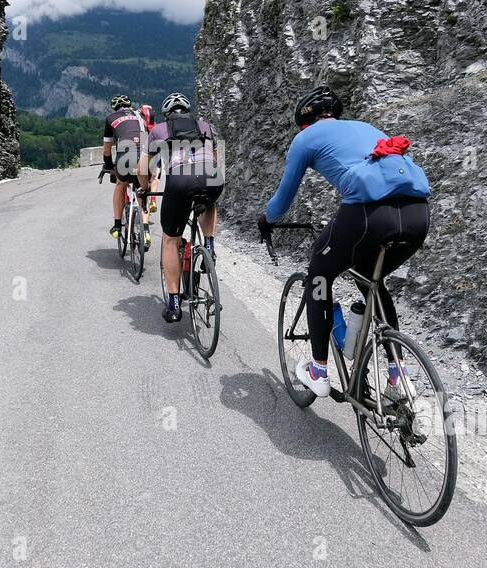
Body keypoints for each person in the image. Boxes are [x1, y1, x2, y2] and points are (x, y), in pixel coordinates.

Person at [258, 86, 429, 397]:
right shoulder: (366, 127)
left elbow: (283, 198)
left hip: (368, 216)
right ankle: (398, 377)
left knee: (319, 277)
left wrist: (266, 221)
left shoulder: (305, 139)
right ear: (335, 114)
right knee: (371, 282)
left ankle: (318, 370)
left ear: (304, 122)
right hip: (418, 216)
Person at [144, 93, 224, 323]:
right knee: (209, 202)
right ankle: (209, 245)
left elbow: (145, 168)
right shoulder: (205, 126)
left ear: (167, 114)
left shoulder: (158, 130)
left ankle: (174, 303)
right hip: (212, 178)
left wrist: (144, 188)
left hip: (180, 181)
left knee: (170, 239)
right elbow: (216, 160)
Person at [102, 94, 151, 248]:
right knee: (143, 190)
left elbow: (107, 148)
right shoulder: (140, 117)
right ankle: (146, 228)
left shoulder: (111, 118)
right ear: (130, 106)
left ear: (115, 108)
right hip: (144, 155)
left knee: (120, 185)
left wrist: (109, 166)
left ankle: (117, 225)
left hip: (125, 155)